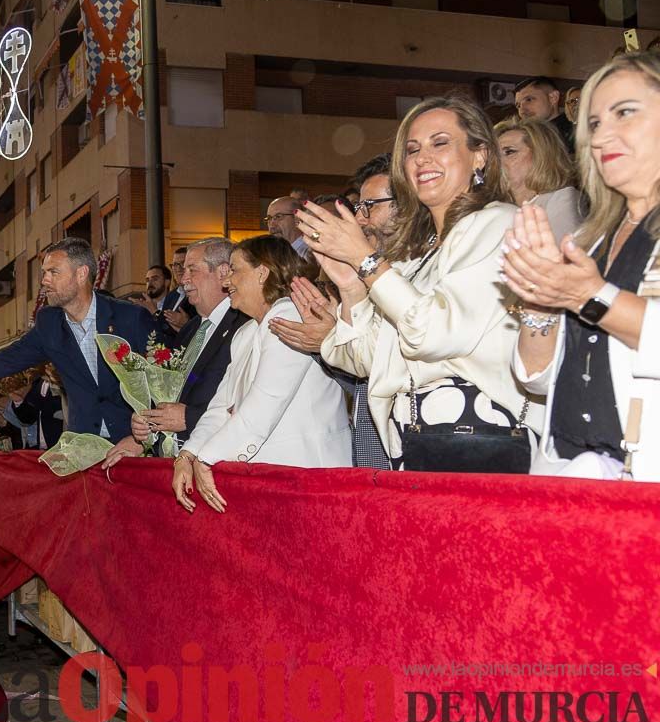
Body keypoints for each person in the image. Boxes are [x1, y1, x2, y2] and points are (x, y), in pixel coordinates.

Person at [307, 95, 539, 469]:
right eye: (412, 149)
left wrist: (367, 262)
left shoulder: (499, 223)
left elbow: (434, 334)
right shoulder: (415, 254)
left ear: (479, 156)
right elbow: (363, 360)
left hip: (481, 434)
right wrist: (350, 286)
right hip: (416, 441)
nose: (422, 159)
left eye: (440, 143)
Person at [503, 51, 660, 479]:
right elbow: (537, 379)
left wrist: (588, 296)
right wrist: (539, 302)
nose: (603, 135)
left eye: (624, 113)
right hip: (570, 475)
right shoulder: (593, 241)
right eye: (594, 123)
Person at [0, 237, 156, 441]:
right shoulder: (49, 324)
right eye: (44, 273)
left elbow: (164, 383)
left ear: (81, 274)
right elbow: (3, 361)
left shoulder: (131, 318)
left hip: (136, 445)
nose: (44, 281)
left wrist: (140, 439)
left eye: (53, 272)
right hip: (84, 447)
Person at [171, 237, 351, 512]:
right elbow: (221, 406)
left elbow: (264, 405)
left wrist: (206, 458)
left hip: (309, 479)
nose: (227, 281)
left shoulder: (291, 315)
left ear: (262, 273)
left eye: (234, 270)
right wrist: (188, 454)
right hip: (276, 480)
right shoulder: (245, 333)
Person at [271, 153, 396, 470]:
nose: (360, 220)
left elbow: (399, 367)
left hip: (408, 446)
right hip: (369, 442)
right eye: (359, 208)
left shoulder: (408, 276)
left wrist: (332, 337)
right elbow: (360, 375)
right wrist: (328, 342)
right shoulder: (357, 274)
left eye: (370, 206)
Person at [102, 237, 249, 467]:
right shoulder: (190, 330)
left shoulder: (244, 326)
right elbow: (173, 391)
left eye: (192, 270)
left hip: (217, 463)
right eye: (183, 270)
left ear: (222, 272)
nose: (183, 279)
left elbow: (249, 405)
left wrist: (189, 418)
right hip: (175, 463)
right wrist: (146, 430)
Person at [494, 116, 583, 238]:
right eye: (494, 156)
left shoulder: (563, 199)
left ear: (541, 155)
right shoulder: (494, 208)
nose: (497, 162)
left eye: (509, 152)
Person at [514, 76, 575, 152]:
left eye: (529, 100)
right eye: (518, 105)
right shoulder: (522, 137)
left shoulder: (577, 135)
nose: (522, 110)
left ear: (553, 97)